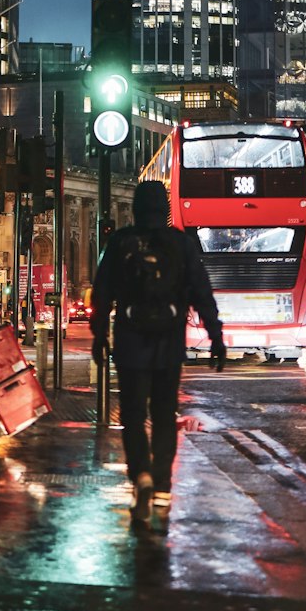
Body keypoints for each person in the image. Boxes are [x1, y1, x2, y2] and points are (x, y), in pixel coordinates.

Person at [91, 181, 225, 527]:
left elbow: (102, 293)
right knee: (164, 415)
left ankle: (142, 477)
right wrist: (215, 336)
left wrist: (97, 336)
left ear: (135, 207)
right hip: (168, 342)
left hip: (130, 340)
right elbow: (201, 290)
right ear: (164, 208)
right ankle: (163, 486)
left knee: (133, 416)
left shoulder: (120, 242)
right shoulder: (180, 242)